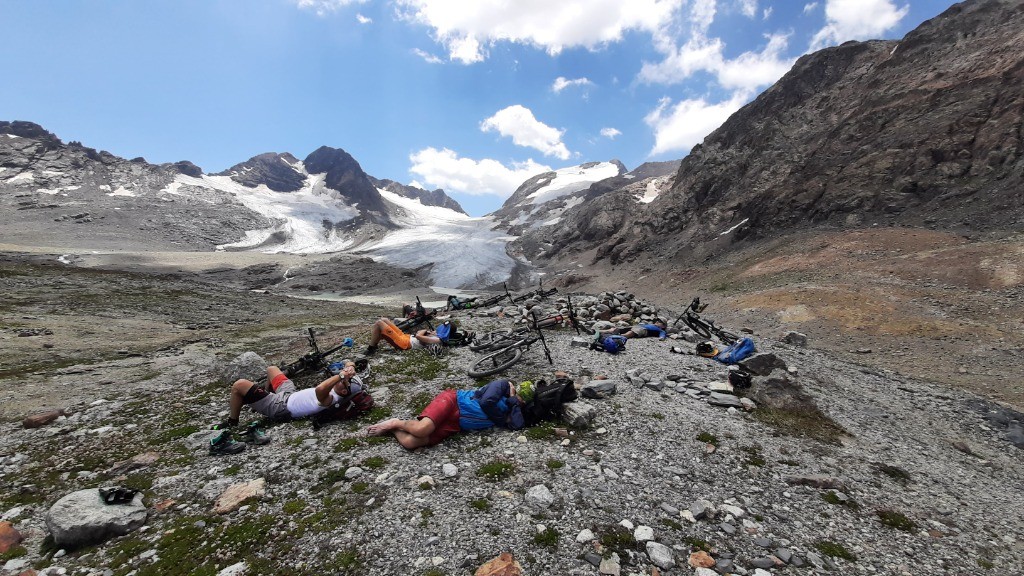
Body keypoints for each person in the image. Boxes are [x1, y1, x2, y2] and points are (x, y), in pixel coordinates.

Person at [210, 361, 364, 455]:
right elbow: (348, 362)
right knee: (272, 369)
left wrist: (342, 376)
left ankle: (233, 421)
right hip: (289, 394)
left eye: (346, 381)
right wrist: (350, 367)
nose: (343, 378)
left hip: (280, 406)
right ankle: (261, 398)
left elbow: (319, 389)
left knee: (239, 385)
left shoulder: (330, 399)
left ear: (344, 391)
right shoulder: (338, 390)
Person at [366, 379, 524, 449]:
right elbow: (486, 402)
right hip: (453, 401)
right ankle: (396, 423)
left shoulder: (511, 406)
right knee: (422, 430)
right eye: (521, 398)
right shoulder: (502, 384)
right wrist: (504, 415)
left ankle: (393, 429)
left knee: (410, 442)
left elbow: (517, 425)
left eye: (522, 402)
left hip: (456, 424)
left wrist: (514, 403)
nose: (521, 402)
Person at [363, 317, 440, 356]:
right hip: (405, 336)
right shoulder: (436, 335)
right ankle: (374, 344)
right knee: (384, 319)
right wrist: (428, 332)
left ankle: (371, 348)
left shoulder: (437, 340)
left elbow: (418, 335)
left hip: (403, 343)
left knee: (379, 323)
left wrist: (425, 331)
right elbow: (419, 333)